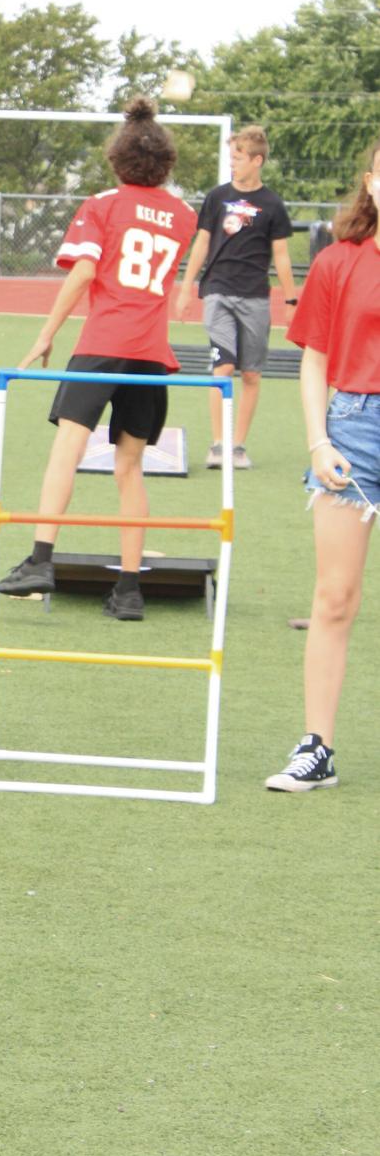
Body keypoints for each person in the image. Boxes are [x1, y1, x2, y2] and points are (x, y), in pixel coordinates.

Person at [0, 97, 197, 622]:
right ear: (166, 163)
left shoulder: (103, 203)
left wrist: (47, 333)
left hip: (104, 343)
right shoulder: (183, 215)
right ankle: (129, 590)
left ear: (117, 158)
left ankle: (41, 559)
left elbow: (84, 272)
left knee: (67, 448)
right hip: (152, 354)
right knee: (130, 470)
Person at [264, 139, 380, 791]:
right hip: (354, 431)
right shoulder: (339, 261)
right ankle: (318, 748)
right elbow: (313, 358)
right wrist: (318, 439)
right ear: (371, 183)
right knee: (335, 596)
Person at [174, 125, 298, 471]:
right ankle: (218, 443)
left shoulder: (273, 204)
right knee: (223, 366)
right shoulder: (216, 197)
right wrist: (186, 287)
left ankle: (238, 445)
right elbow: (201, 242)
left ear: (257, 160)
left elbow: (282, 256)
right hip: (218, 291)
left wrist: (291, 301)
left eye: (238, 158)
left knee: (251, 375)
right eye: (231, 158)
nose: (233, 164)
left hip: (255, 296)